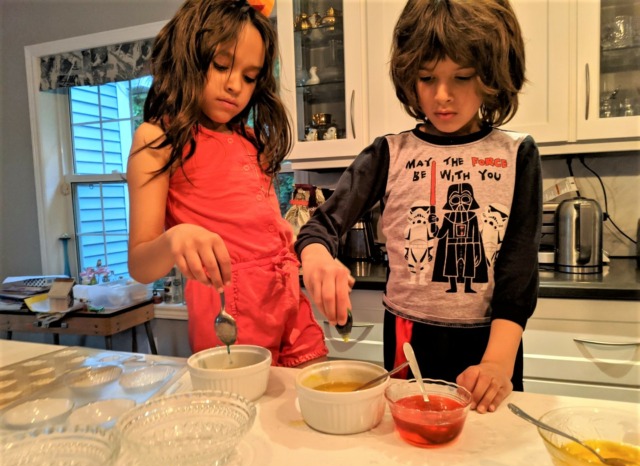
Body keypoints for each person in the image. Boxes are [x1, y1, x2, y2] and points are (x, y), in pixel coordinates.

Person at [295, 0, 541, 412]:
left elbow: (518, 276)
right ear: (410, 78)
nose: (442, 96)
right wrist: (317, 259)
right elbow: (318, 227)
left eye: (462, 76)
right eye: (427, 78)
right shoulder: (389, 154)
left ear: (493, 75)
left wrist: (497, 363)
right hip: (409, 338)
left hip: (491, 344)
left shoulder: (517, 154)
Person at [127, 0, 328, 367]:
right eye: (221, 65)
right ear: (188, 56)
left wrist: (314, 256)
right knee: (244, 417)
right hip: (229, 311)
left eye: (250, 77)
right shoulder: (158, 139)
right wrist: (176, 238)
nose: (235, 85)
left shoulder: (253, 140)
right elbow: (140, 265)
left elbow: (264, 230)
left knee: (314, 403)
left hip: (287, 297)